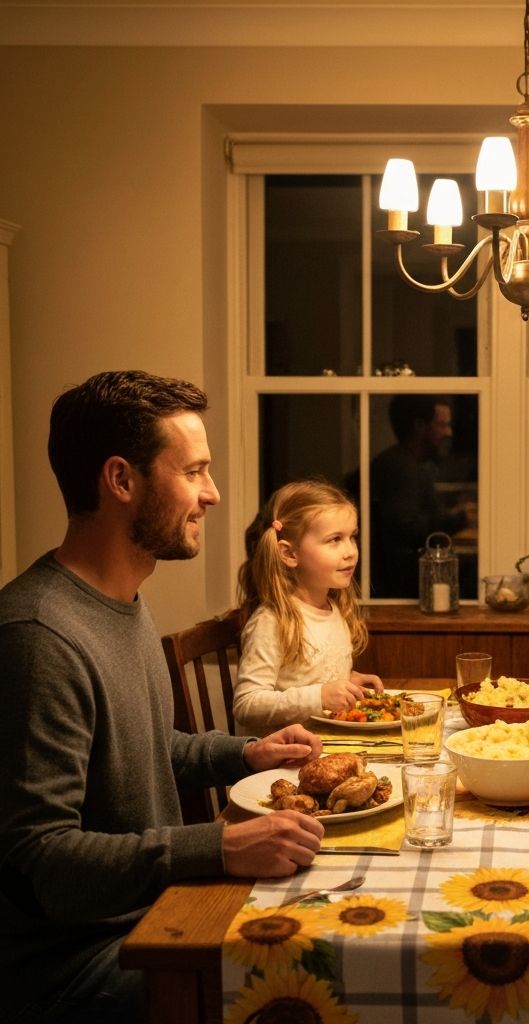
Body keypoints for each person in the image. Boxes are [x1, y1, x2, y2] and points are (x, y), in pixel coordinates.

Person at [0, 371, 327, 1024]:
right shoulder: (38, 636)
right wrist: (220, 847)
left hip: (156, 914)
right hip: (86, 964)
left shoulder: (121, 602)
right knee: (312, 985)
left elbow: (140, 747)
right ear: (121, 480)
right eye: (194, 472)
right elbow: (41, 861)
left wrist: (248, 753)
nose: (212, 494)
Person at [234, 479, 383, 734]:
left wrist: (346, 681)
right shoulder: (272, 621)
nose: (350, 551)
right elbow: (247, 705)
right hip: (286, 759)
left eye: (352, 537)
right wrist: (320, 696)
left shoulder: (334, 608)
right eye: (334, 539)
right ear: (290, 554)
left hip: (331, 746)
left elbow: (304, 678)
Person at [369, 394, 475, 597]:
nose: (449, 432)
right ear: (419, 426)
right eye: (442, 425)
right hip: (399, 593)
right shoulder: (400, 468)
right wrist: (459, 518)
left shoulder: (409, 463)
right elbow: (406, 528)